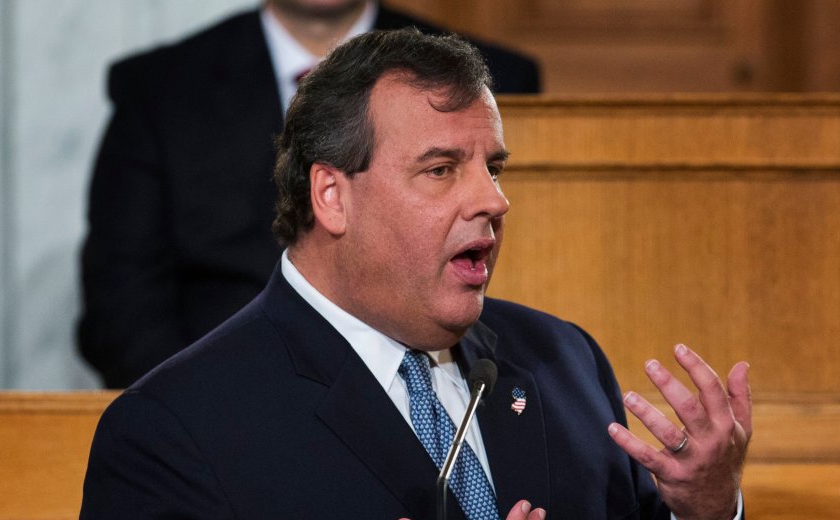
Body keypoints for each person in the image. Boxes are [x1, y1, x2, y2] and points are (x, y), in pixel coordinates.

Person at [78, 28, 749, 520]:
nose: (492, 200)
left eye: (495, 167)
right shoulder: (171, 432)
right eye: (442, 169)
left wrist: (703, 519)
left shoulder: (563, 362)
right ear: (331, 197)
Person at [77, 0, 540, 389]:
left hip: (438, 387)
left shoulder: (493, 80)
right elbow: (121, 304)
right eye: (439, 168)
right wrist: (209, 409)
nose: (491, 198)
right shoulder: (161, 89)